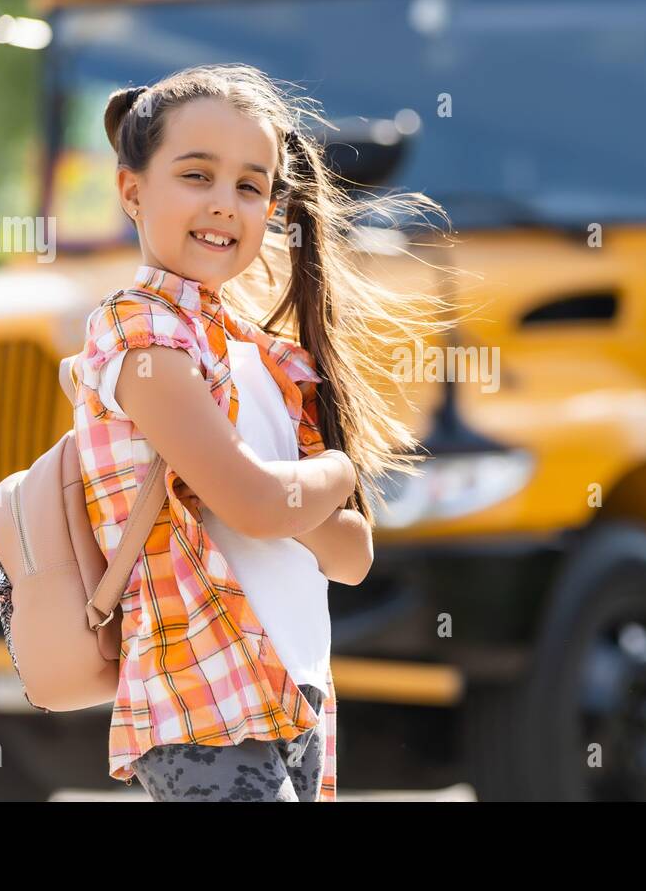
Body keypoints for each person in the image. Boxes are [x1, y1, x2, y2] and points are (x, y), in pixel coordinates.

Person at [66, 63, 456, 801]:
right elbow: (255, 506)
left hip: (296, 691)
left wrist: (283, 500)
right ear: (131, 191)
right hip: (202, 696)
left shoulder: (265, 354)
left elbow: (352, 553)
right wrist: (332, 475)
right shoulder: (138, 334)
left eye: (250, 186)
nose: (224, 204)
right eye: (196, 175)